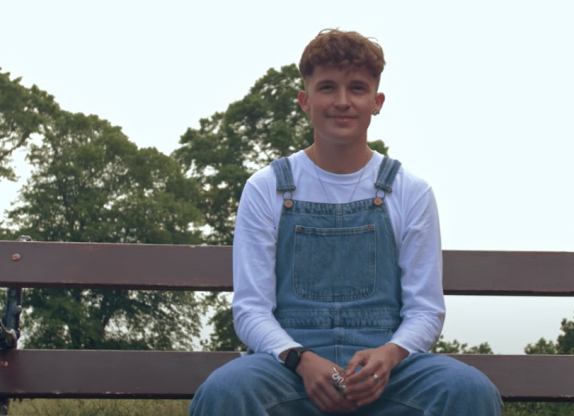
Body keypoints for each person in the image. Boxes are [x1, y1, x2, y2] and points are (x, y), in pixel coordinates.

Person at [189, 29, 503, 415]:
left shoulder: (410, 192)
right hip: (289, 373)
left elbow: (425, 309)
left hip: (387, 376)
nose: (342, 101)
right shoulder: (266, 188)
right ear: (305, 101)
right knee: (224, 392)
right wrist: (300, 359)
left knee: (468, 391)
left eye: (357, 88)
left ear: (376, 102)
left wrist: (389, 355)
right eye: (327, 88)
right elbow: (251, 309)